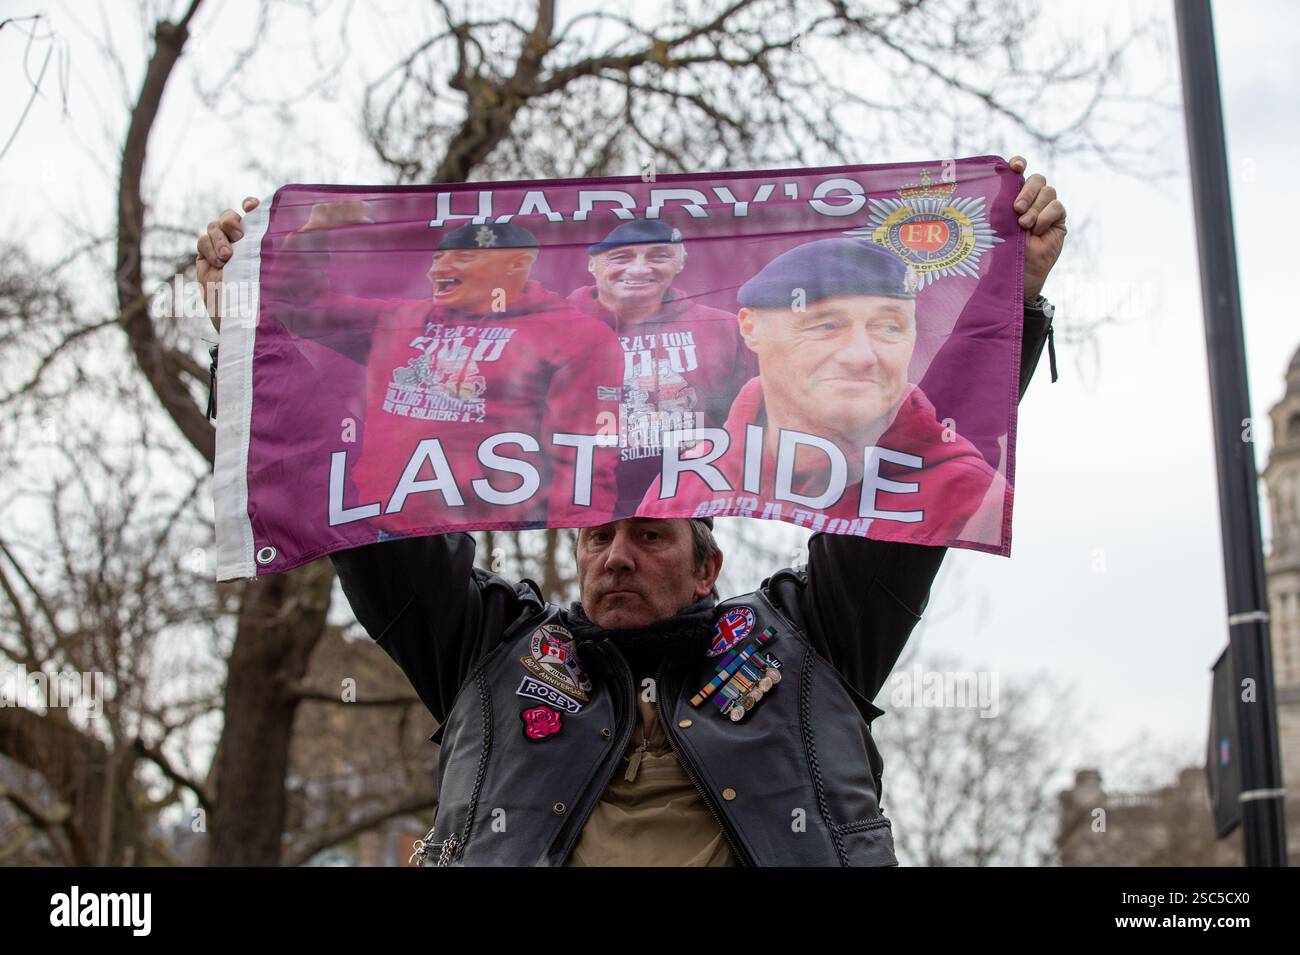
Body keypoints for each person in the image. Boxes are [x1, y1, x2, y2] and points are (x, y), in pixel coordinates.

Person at [196, 155, 1065, 865]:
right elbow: (364, 504)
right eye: (599, 537)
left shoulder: (815, 642)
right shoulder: (488, 655)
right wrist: (242, 332)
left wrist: (1012, 300)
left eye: (650, 537)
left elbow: (904, 487)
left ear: (707, 568)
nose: (616, 555)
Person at [214, 200, 624, 532]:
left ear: (516, 265)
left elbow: (586, 464)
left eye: (462, 258)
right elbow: (295, 309)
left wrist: (586, 550)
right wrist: (309, 239)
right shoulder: (401, 320)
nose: (438, 269)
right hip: (383, 532)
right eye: (437, 258)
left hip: (502, 538)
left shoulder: (573, 334)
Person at [635, 237, 1017, 547]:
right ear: (751, 328)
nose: (861, 356)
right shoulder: (688, 481)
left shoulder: (975, 495)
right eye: (826, 326)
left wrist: (1022, 286)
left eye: (888, 327)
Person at [567, 219, 758, 516]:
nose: (640, 269)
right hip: (584, 504)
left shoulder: (723, 328)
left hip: (690, 505)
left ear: (680, 262)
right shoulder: (553, 327)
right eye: (621, 256)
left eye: (659, 256)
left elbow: (752, 416)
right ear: (593, 265)